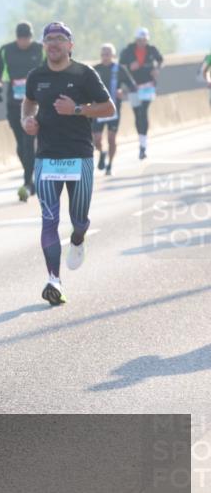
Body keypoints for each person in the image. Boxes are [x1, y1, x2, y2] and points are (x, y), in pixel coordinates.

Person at [21, 23, 114, 306]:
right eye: (49, 39)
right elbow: (28, 103)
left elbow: (109, 108)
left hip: (80, 157)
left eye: (60, 39)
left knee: (78, 219)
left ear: (70, 45)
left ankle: (78, 238)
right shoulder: (36, 76)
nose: (54, 44)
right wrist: (27, 121)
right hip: (47, 157)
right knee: (49, 220)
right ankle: (54, 281)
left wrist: (77, 109)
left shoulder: (84, 74)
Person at [0, 21, 45, 202]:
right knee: (20, 145)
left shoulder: (40, 49)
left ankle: (28, 183)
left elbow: (50, 70)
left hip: (34, 103)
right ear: (17, 38)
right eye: (22, 39)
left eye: (27, 38)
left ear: (31, 37)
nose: (25, 42)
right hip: (14, 104)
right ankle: (32, 177)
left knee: (29, 142)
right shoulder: (6, 50)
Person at [91, 43, 137, 176]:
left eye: (107, 54)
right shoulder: (94, 70)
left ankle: (110, 164)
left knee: (111, 139)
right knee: (97, 140)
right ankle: (102, 153)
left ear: (113, 55)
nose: (105, 57)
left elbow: (132, 86)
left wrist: (123, 91)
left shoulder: (119, 69)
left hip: (113, 110)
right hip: (98, 109)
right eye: (103, 54)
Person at [119, 28, 163, 160]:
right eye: (140, 40)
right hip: (133, 87)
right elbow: (120, 66)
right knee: (137, 114)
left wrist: (156, 68)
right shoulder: (127, 51)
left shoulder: (152, 49)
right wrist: (129, 67)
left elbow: (161, 60)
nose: (142, 43)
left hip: (148, 86)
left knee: (144, 111)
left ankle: (143, 146)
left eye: (144, 40)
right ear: (136, 40)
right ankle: (141, 140)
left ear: (147, 40)